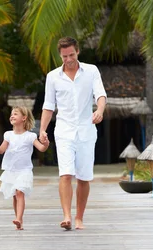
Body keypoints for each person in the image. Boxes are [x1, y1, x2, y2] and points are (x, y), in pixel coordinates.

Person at [39, 37, 107, 230]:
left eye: (71, 55)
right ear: (60, 56)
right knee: (66, 174)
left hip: (86, 131)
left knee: (84, 177)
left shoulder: (91, 71)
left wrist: (99, 111)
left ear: (78, 51)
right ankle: (67, 216)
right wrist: (43, 130)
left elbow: (100, 95)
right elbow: (48, 106)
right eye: (64, 56)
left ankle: (79, 217)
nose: (68, 59)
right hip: (64, 131)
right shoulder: (53, 77)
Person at [0, 107, 49, 230]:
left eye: (15, 114)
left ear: (24, 118)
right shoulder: (8, 135)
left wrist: (46, 143)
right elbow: (1, 150)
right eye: (11, 114)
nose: (12, 116)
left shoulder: (30, 136)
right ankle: (19, 221)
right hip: (11, 171)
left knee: (19, 192)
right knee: (15, 195)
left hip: (24, 170)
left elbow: (41, 148)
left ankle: (19, 218)